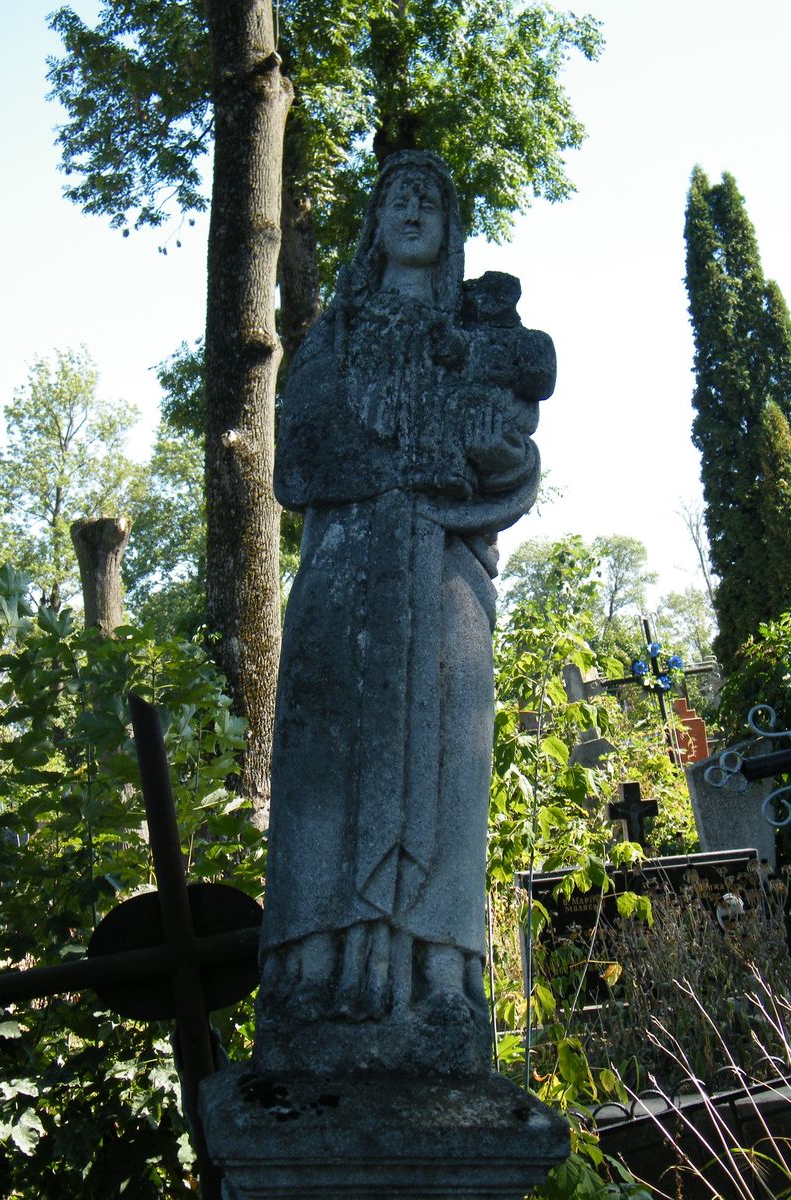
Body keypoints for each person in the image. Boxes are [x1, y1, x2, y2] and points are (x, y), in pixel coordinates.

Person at [254, 150, 555, 1077]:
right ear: (375, 222)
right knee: (320, 775)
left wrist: (486, 453)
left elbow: (510, 454)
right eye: (399, 197)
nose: (414, 208)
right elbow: (294, 464)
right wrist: (407, 458)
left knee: (448, 770)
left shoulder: (482, 344)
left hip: (445, 573)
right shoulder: (331, 337)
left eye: (432, 198)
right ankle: (307, 972)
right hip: (344, 576)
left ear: (452, 229)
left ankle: (440, 984)